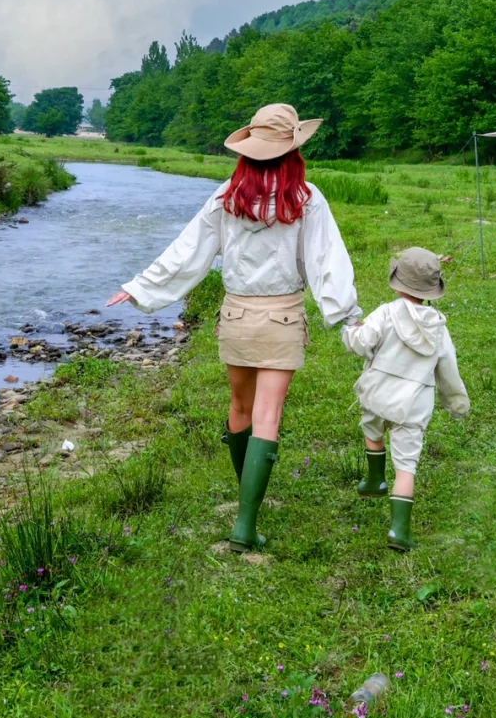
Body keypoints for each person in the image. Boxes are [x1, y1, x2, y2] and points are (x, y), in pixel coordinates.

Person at [107, 103, 360, 553]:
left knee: (240, 408)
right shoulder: (306, 197)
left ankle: (245, 503)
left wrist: (141, 286)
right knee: (268, 417)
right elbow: (327, 262)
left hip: (236, 317)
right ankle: (246, 524)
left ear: (248, 151)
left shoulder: (228, 194)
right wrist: (346, 317)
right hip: (282, 317)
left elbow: (189, 251)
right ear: (293, 151)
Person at [341, 246, 469, 552]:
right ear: (431, 292)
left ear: (398, 282)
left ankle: (374, 480)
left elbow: (362, 342)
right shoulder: (438, 326)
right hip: (413, 404)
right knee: (406, 466)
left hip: (377, 394)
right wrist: (456, 402)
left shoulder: (385, 312)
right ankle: (399, 530)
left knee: (372, 431)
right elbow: (447, 367)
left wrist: (349, 330)